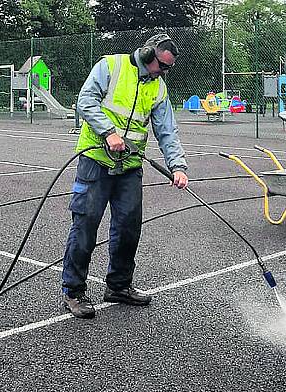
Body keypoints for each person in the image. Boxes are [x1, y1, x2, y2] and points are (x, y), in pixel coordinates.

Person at [61, 34, 189, 319]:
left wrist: (177, 166)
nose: (163, 72)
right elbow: (85, 101)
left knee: (129, 226)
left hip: (130, 166)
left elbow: (166, 129)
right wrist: (109, 132)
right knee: (85, 224)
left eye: (168, 69)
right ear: (147, 54)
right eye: (162, 66)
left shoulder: (158, 87)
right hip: (96, 161)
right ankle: (73, 290)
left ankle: (118, 286)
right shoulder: (110, 66)